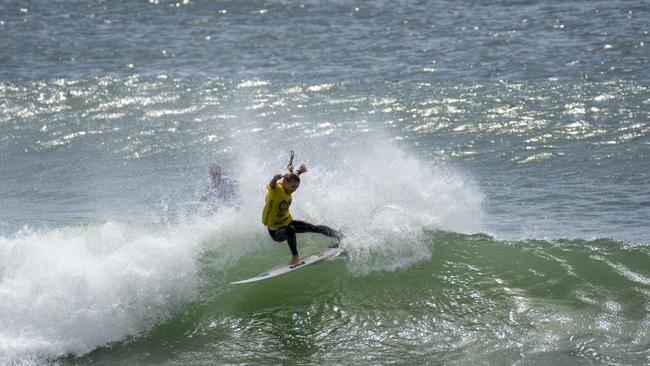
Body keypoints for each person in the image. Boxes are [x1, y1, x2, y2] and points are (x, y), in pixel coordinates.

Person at [262, 163, 342, 265]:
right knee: (290, 229)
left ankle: (340, 236)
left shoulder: (288, 185)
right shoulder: (276, 190)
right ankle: (295, 256)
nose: (294, 190)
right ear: (284, 182)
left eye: (296, 187)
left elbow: (292, 178)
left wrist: (299, 171)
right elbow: (272, 185)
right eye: (293, 187)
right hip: (276, 231)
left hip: (287, 221)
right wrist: (274, 178)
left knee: (314, 227)